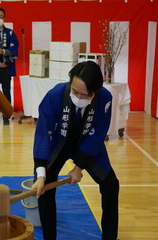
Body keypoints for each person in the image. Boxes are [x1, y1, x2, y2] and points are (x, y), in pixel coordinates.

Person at [32, 61, 119, 240]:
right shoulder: (55, 95)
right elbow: (43, 133)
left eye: (85, 95)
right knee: (44, 188)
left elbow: (97, 135)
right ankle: (50, 237)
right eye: (75, 91)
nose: (78, 97)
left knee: (111, 185)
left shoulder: (105, 99)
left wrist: (78, 167)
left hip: (87, 144)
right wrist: (41, 174)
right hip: (59, 143)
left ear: (96, 92)